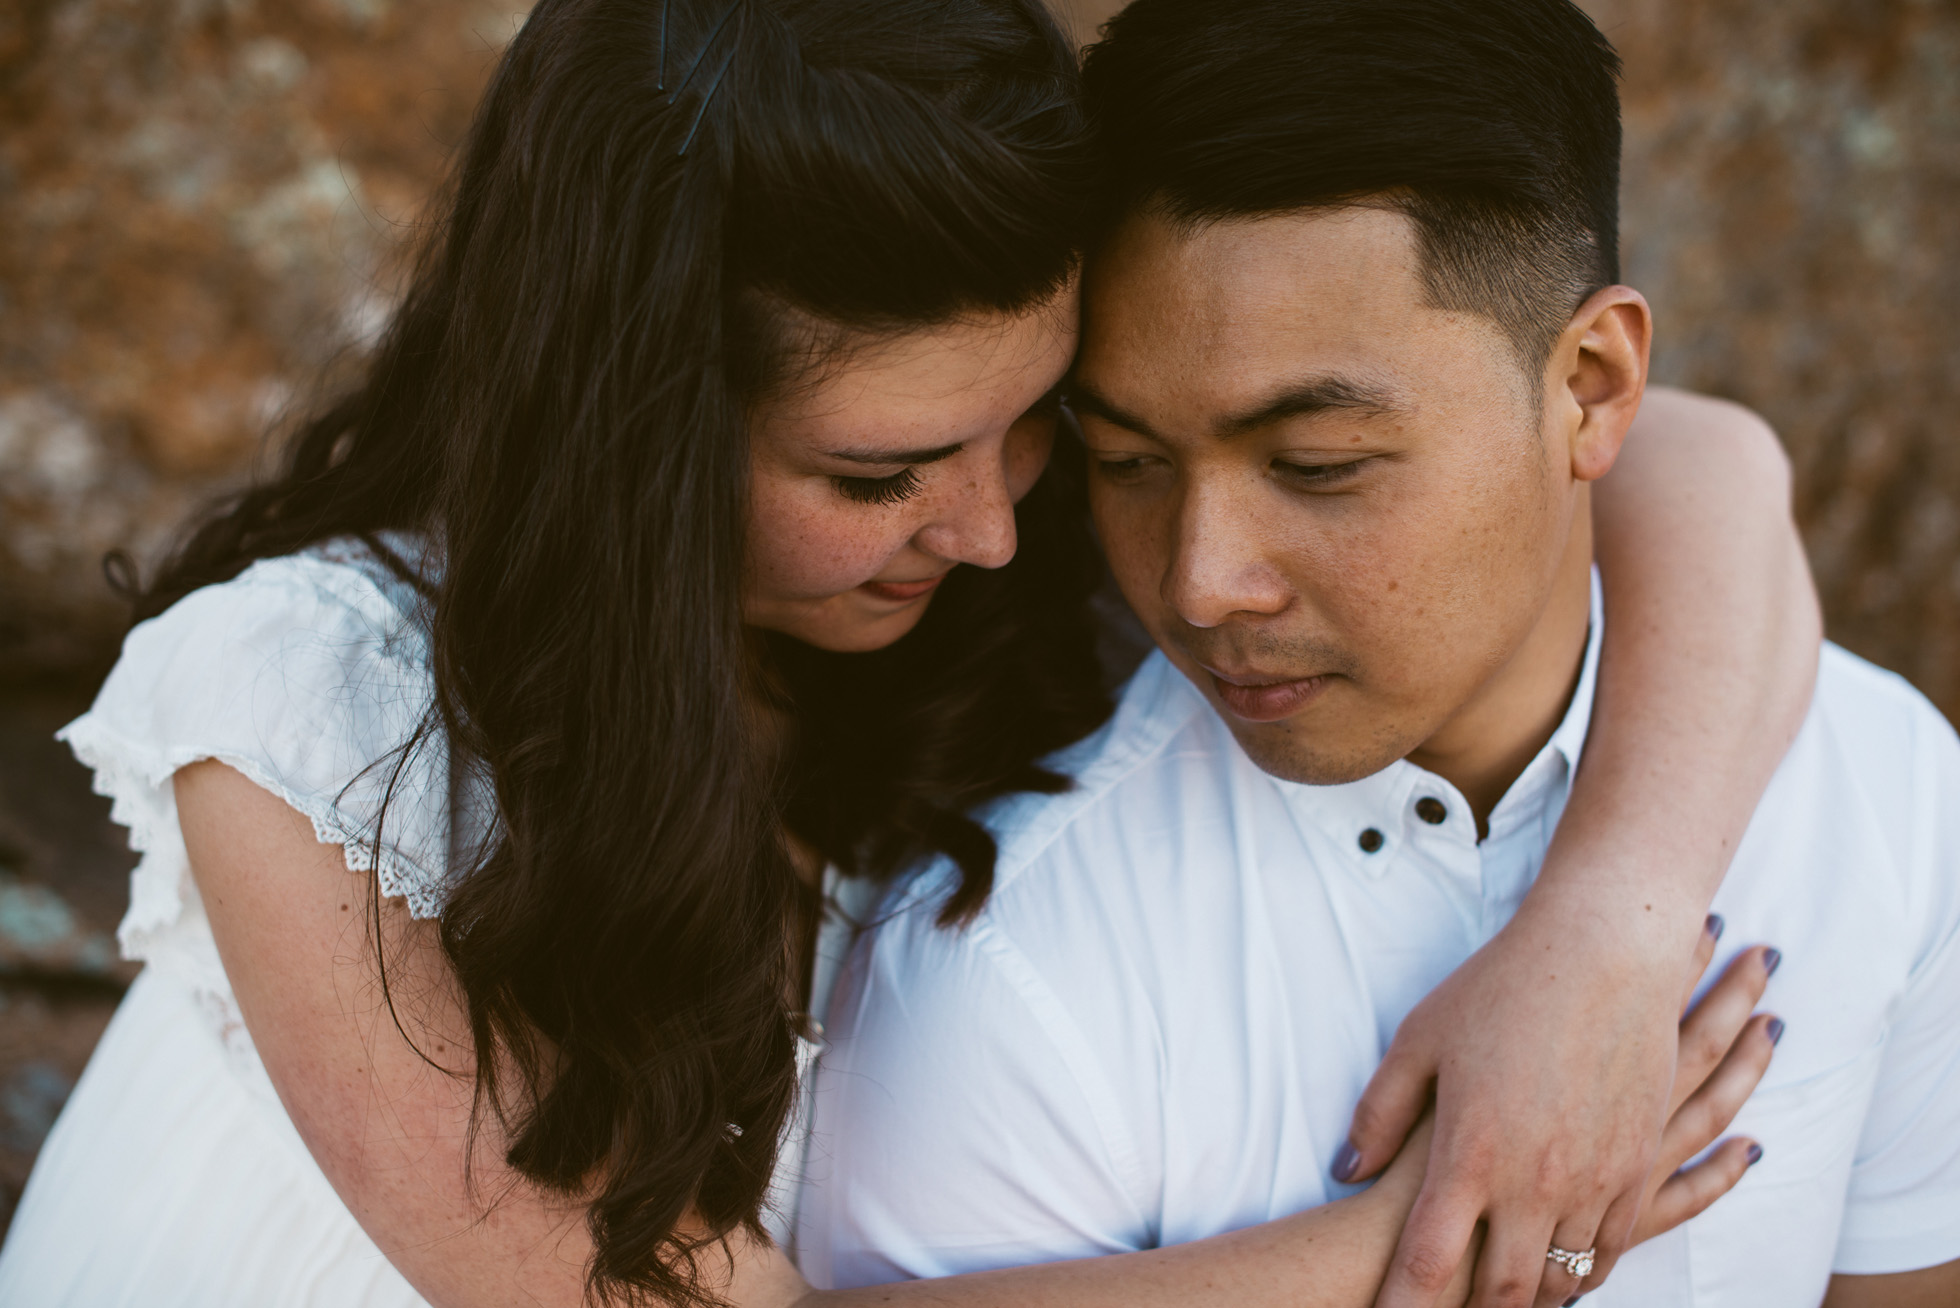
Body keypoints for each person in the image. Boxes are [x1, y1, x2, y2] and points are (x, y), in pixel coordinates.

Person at [0, 0, 1813, 1304]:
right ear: (639, 434)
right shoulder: (307, 715)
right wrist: (1455, 1223)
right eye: (877, 472)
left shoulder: (988, 582)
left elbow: (1704, 461)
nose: (996, 530)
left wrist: (1605, 933)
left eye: (1042, 425)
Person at [796, 2, 1960, 1306]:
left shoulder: (1888, 793)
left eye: (1318, 466)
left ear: (1589, 386)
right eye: (1124, 464)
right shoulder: (998, 970)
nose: (1201, 583)